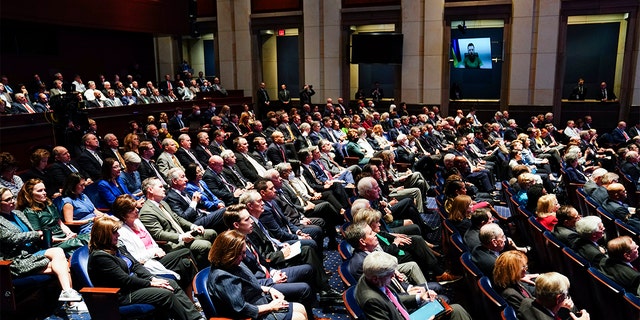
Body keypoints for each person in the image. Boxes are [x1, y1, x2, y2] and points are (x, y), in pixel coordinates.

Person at [88, 217, 203, 320]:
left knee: (170, 283)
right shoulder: (100, 257)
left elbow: (136, 265)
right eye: (114, 233)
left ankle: (195, 318)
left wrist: (152, 278)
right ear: (104, 235)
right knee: (165, 294)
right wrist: (150, 283)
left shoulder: (117, 247)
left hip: (133, 286)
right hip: (121, 294)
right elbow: (125, 280)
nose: (118, 235)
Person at [0, 187, 86, 307]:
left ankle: (68, 295)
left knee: (58, 253)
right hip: (15, 261)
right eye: (7, 200)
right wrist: (37, 234)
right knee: (63, 266)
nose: (12, 201)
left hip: (32, 254)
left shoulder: (18, 214)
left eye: (13, 197)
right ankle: (71, 302)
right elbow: (12, 238)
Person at [207, 230, 307, 320]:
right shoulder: (223, 278)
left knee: (301, 308)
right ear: (229, 254)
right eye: (241, 253)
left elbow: (248, 283)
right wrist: (271, 307)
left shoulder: (233, 263)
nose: (244, 256)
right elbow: (241, 309)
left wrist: (269, 289)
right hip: (250, 315)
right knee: (299, 317)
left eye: (244, 252)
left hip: (260, 301)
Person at [111, 195, 197, 291]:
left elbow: (152, 242)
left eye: (136, 207)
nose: (137, 210)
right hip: (147, 263)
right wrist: (153, 252)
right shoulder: (122, 232)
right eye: (132, 209)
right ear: (123, 214)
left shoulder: (138, 222)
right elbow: (134, 258)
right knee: (185, 251)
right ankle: (199, 291)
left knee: (185, 264)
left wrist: (158, 249)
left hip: (158, 257)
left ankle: (192, 299)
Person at [355, 251, 471, 320]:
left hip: (406, 315)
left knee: (455, 309)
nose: (393, 277)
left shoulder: (370, 275)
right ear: (376, 278)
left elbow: (392, 298)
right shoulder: (371, 300)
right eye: (390, 275)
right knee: (457, 311)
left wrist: (419, 296)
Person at [138, 177, 216, 269]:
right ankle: (202, 270)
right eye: (160, 187)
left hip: (184, 234)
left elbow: (177, 218)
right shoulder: (146, 212)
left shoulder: (163, 203)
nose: (164, 189)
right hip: (172, 243)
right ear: (150, 190)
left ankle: (216, 263)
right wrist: (181, 237)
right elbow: (158, 234)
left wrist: (193, 226)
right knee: (205, 245)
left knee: (212, 233)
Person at [17, 179, 89, 254]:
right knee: (87, 241)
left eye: (44, 190)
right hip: (54, 244)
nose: (44, 193)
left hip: (65, 238)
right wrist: (64, 239)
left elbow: (60, 223)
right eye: (40, 191)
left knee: (92, 237)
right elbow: (40, 236)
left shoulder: (48, 204)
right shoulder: (30, 212)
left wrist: (70, 233)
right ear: (30, 194)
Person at [518, 272, 589, 320]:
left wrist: (561, 305)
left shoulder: (526, 302)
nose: (567, 297)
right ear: (559, 298)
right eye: (566, 294)